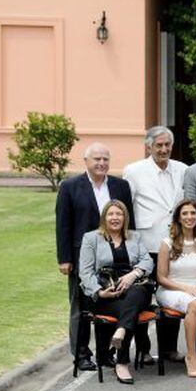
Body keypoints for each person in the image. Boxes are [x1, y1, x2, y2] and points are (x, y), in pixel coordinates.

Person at [56, 143, 136, 371]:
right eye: (97, 159)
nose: (101, 163)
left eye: (105, 159)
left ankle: (106, 353)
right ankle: (81, 353)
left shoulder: (121, 186)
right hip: (82, 256)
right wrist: (64, 258)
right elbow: (63, 225)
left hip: (115, 256)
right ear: (86, 161)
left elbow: (130, 223)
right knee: (82, 306)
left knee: (111, 302)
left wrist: (131, 251)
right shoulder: (70, 187)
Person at [123, 126, 187, 364]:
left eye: (167, 145)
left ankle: (169, 348)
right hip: (146, 243)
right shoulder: (134, 171)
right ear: (148, 147)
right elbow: (127, 207)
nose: (163, 149)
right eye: (158, 145)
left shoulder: (183, 169)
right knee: (142, 297)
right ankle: (143, 350)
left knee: (173, 294)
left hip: (175, 243)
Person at [78, 200, 153, 384]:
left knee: (136, 293)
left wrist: (133, 275)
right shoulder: (91, 238)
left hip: (133, 290)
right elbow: (85, 273)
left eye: (119, 214)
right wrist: (100, 292)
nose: (115, 218)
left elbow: (147, 262)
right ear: (104, 217)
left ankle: (121, 355)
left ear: (125, 217)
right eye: (111, 214)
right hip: (105, 293)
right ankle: (122, 350)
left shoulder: (135, 237)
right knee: (129, 311)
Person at [155, 200, 196, 377]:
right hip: (171, 289)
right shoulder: (167, 243)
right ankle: (190, 356)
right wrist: (186, 289)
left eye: (193, 213)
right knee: (195, 305)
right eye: (185, 214)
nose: (189, 217)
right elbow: (161, 278)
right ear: (178, 218)